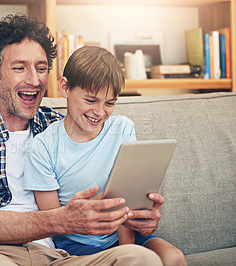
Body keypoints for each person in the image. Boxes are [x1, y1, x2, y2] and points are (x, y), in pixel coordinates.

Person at [0, 14, 163, 265]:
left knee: (142, 259)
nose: (34, 80)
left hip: (56, 255)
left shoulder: (59, 126)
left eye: (40, 69)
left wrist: (136, 217)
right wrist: (63, 220)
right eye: (19, 68)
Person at [23, 45, 187, 266]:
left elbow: (129, 197)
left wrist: (131, 237)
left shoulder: (122, 128)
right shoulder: (43, 147)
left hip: (124, 235)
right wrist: (106, 204)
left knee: (174, 258)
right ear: (65, 87)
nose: (100, 112)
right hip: (76, 246)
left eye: (110, 103)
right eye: (91, 100)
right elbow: (55, 223)